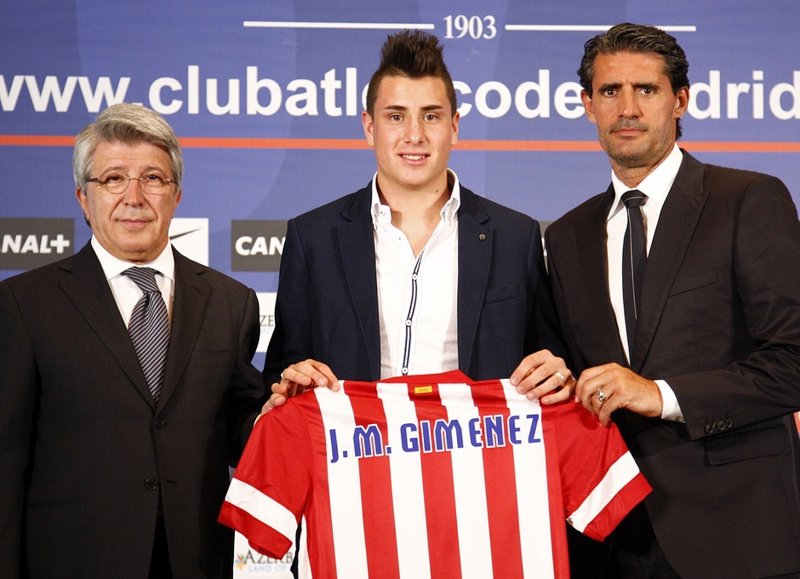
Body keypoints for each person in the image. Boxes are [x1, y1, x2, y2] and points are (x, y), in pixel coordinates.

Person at [545, 22, 800, 578]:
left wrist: (659, 395)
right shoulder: (565, 237)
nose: (627, 108)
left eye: (646, 89)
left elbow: (792, 363)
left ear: (680, 100)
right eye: (610, 91)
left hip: (738, 538)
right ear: (587, 105)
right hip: (613, 541)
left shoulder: (748, 200)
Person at [0, 103, 267, 578]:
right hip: (73, 559)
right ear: (84, 198)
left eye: (153, 178)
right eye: (114, 179)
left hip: (194, 557)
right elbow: (7, 459)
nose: (134, 196)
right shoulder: (25, 304)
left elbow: (238, 430)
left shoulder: (231, 302)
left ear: (177, 194)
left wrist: (277, 416)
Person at [263, 30, 572, 412]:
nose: (414, 135)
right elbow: (281, 374)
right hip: (356, 446)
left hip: (478, 446)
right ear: (369, 127)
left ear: (454, 127)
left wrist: (556, 374)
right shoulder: (312, 238)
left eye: (431, 116)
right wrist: (288, 383)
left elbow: (550, 365)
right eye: (396, 116)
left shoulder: (515, 237)